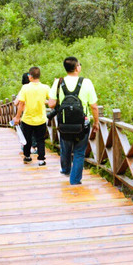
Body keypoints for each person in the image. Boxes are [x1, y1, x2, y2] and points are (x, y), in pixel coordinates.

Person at [48, 57, 99, 185]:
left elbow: (51, 104)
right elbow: (94, 106)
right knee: (79, 152)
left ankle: (65, 170)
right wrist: (96, 123)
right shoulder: (86, 82)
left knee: (65, 148)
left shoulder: (59, 82)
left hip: (64, 123)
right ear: (77, 68)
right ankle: (75, 180)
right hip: (82, 123)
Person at [12, 66, 49, 165]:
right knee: (40, 140)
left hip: (27, 118)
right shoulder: (45, 87)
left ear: (30, 76)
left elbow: (21, 103)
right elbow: (52, 101)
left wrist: (17, 117)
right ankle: (41, 160)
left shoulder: (25, 88)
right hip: (41, 119)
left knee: (27, 139)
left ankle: (27, 156)